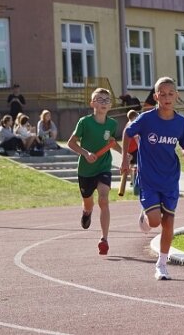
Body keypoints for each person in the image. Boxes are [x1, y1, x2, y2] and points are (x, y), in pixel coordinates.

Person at [120, 77, 184, 280]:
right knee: (154, 221)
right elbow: (127, 132)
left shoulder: (181, 122)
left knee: (168, 221)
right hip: (149, 178)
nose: (167, 97)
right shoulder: (146, 118)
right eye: (163, 94)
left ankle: (161, 264)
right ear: (156, 97)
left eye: (171, 93)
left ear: (176, 96)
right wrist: (125, 158)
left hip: (170, 179)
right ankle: (145, 215)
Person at [67, 88, 122, 256]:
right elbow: (71, 143)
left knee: (104, 200)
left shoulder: (112, 124)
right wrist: (85, 153)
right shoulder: (85, 122)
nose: (104, 102)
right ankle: (86, 212)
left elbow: (112, 142)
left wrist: (124, 155)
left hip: (103, 167)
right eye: (100, 99)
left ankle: (104, 239)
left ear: (111, 104)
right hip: (86, 169)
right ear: (92, 103)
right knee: (89, 203)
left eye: (107, 100)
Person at [123, 109, 140, 188]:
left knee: (131, 165)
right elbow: (136, 137)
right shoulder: (133, 124)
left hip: (128, 149)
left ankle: (131, 181)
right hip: (133, 148)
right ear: (134, 117)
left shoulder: (127, 124)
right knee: (134, 165)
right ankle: (133, 181)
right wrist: (139, 146)